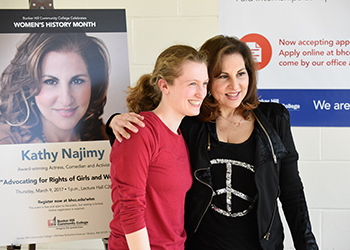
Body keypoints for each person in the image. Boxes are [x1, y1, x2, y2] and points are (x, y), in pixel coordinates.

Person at [106, 35, 319, 250]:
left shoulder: (274, 119)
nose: (234, 85)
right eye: (223, 76)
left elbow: (292, 193)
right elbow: (144, 137)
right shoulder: (192, 121)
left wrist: (308, 246)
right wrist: (113, 121)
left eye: (241, 74)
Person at [108, 45, 208, 250]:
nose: (201, 93)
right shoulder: (139, 131)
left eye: (204, 84)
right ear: (164, 86)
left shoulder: (180, 136)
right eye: (192, 84)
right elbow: (130, 208)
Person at [0, 32, 109, 144]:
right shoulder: (6, 140)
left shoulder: (104, 134)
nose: (66, 100)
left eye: (77, 81)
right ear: (28, 85)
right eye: (50, 82)